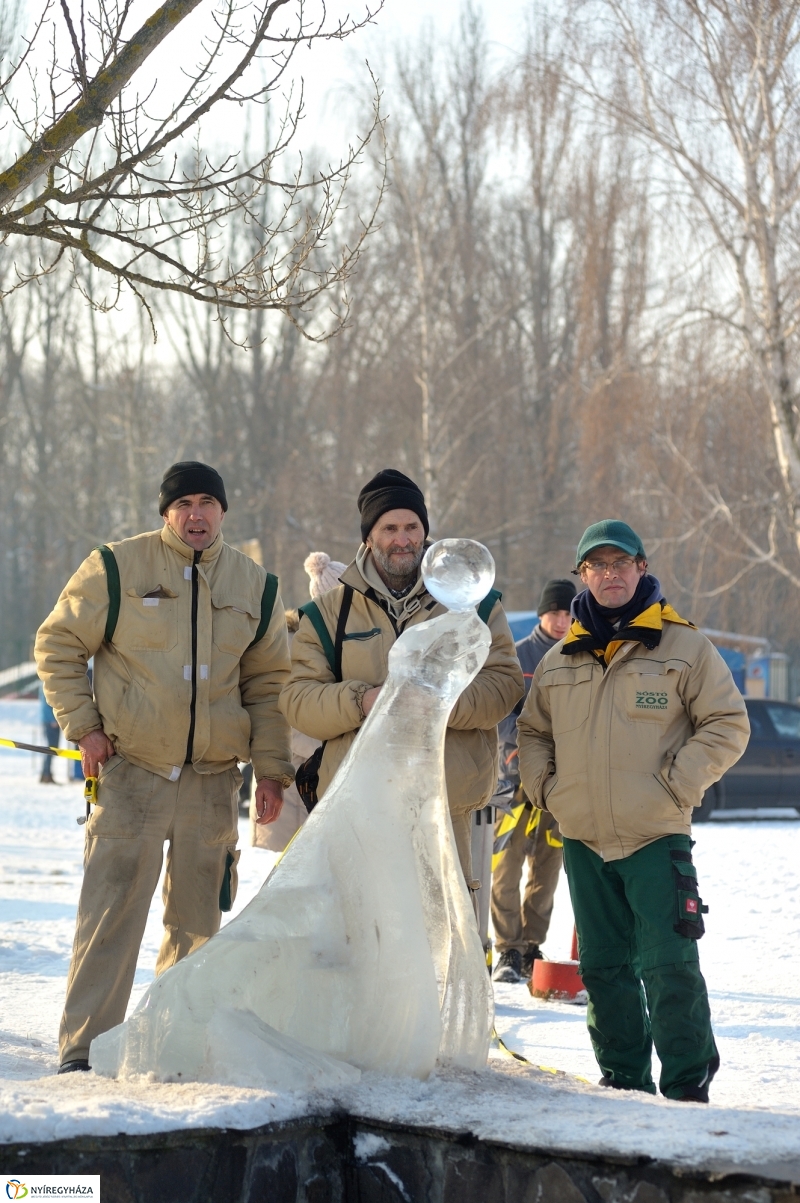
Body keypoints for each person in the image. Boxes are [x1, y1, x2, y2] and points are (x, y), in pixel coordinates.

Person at [35, 461, 293, 1074]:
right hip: (132, 776)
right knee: (111, 919)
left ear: (224, 512)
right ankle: (86, 1053)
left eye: (208, 502)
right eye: (183, 504)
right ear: (165, 513)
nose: (196, 515)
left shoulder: (255, 585)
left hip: (211, 782)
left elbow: (268, 686)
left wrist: (273, 769)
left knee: (197, 928)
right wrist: (86, 728)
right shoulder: (118, 567)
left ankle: (173, 1050)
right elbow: (58, 645)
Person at [517, 520, 749, 1102]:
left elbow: (727, 723)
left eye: (621, 563)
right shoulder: (561, 656)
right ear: (583, 576)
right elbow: (533, 730)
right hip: (583, 838)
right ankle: (623, 1084)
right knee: (603, 970)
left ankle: (687, 1086)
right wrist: (548, 789)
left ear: (642, 569)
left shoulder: (684, 646)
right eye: (597, 566)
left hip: (655, 837)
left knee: (669, 966)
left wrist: (677, 784)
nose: (610, 574)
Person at [280, 468, 524, 884]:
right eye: (389, 528)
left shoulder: (474, 605)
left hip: (446, 809)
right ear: (368, 537)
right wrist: (363, 701)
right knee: (360, 943)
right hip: (356, 814)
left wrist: (440, 700)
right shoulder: (326, 615)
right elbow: (298, 700)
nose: (403, 539)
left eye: (412, 526)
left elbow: (504, 683)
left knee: (441, 944)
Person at [491, 578, 576, 983]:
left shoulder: (580, 655)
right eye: (556, 612)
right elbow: (500, 711)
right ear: (542, 613)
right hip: (513, 781)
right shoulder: (517, 655)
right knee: (506, 864)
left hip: (561, 786)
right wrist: (520, 743)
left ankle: (531, 947)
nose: (562, 621)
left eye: (568, 613)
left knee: (548, 866)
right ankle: (507, 948)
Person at [39, 681, 61, 784]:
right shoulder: (47, 685)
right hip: (51, 723)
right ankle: (46, 774)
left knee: (52, 749)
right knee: (51, 749)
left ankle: (46, 774)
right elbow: (47, 705)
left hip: (52, 722)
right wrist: (53, 720)